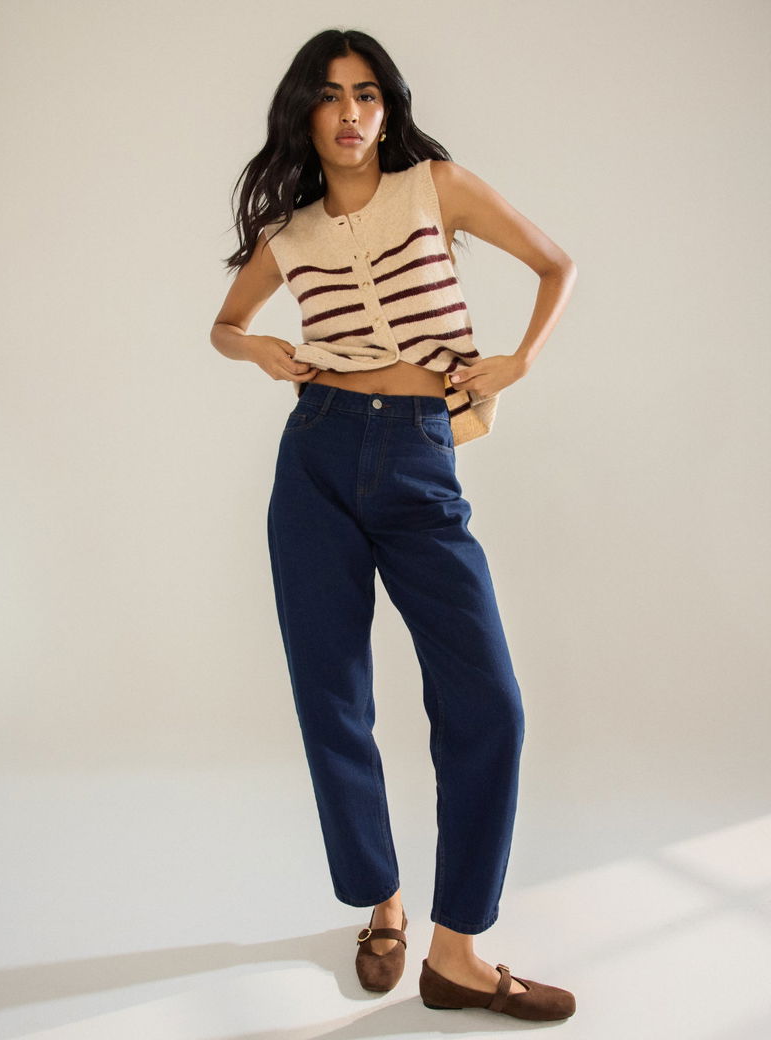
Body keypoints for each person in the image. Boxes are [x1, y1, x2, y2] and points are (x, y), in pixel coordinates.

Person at [211, 28, 578, 1022]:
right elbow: (223, 324)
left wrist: (518, 360)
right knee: (333, 697)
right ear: (304, 111)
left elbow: (555, 264)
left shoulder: (435, 187)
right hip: (317, 456)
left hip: (420, 454)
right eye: (331, 95)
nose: (350, 113)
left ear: (387, 107)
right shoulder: (287, 233)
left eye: (367, 93)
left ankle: (456, 953)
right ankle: (382, 904)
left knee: (488, 702)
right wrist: (259, 348)